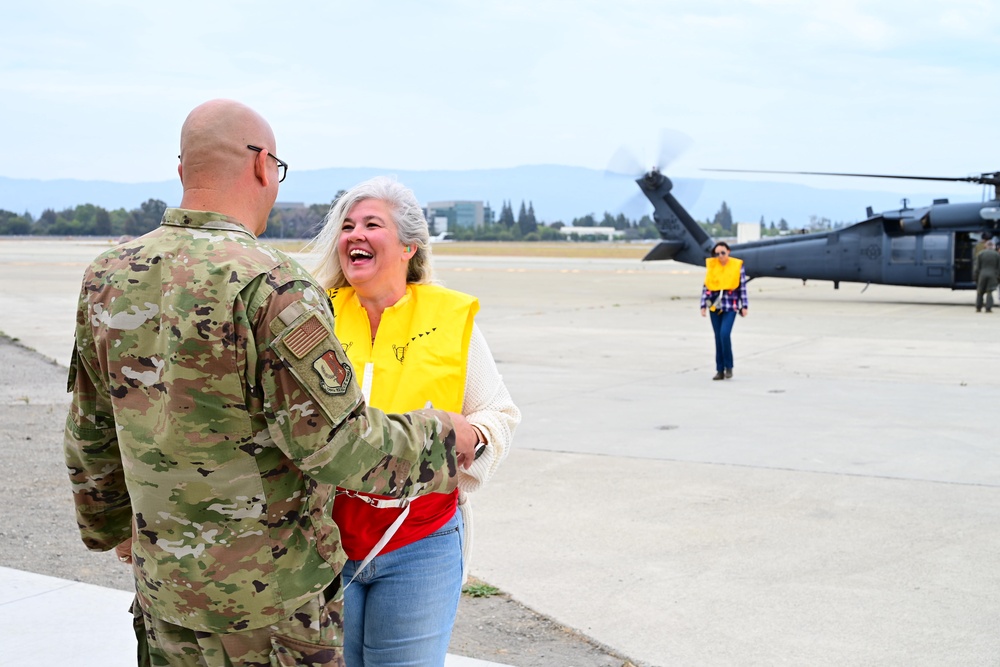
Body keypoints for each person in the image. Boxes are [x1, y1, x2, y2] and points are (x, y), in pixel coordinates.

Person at [63, 99, 479, 667]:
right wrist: (443, 438)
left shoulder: (107, 276)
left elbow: (89, 433)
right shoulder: (273, 284)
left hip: (166, 598)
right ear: (263, 167)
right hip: (271, 610)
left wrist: (116, 530)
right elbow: (337, 445)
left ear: (184, 171)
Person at [310, 176, 520, 667]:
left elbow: (499, 414)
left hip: (419, 544)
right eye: (347, 226)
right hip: (321, 543)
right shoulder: (313, 314)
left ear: (409, 246)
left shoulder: (448, 320)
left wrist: (475, 435)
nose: (354, 235)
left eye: (371, 224)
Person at [700, 241, 748, 380]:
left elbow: (742, 287)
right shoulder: (712, 266)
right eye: (717, 253)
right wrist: (703, 305)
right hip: (714, 306)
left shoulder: (736, 266)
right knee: (717, 337)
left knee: (724, 334)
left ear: (728, 252)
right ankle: (719, 370)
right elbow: (706, 286)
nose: (720, 256)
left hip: (730, 306)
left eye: (723, 253)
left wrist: (744, 305)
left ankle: (729, 366)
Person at [974, 239, 1000, 312]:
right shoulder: (997, 255)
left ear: (986, 246)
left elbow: (977, 268)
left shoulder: (980, 254)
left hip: (982, 274)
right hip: (993, 275)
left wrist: (975, 277)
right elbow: (999, 268)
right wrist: (998, 277)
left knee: (980, 291)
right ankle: (988, 308)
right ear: (993, 246)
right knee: (989, 291)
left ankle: (978, 307)